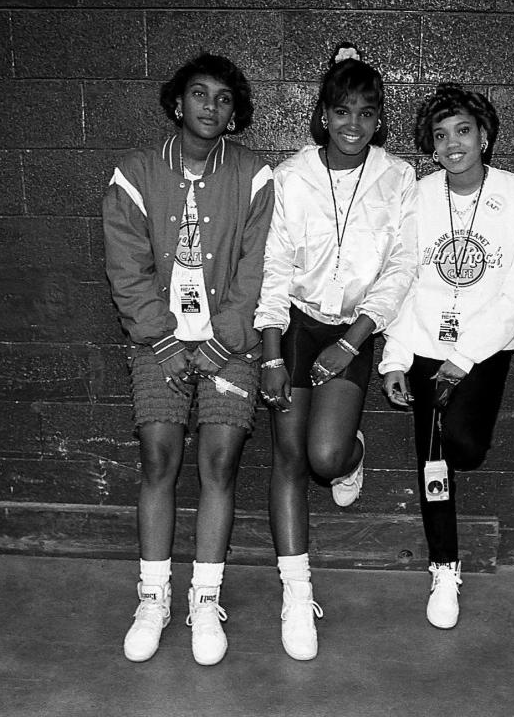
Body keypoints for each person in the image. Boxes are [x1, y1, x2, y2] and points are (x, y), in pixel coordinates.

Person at [102, 53, 273, 665]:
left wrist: (221, 342)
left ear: (234, 114)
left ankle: (205, 597)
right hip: (158, 341)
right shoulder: (134, 173)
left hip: (231, 344)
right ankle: (154, 596)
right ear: (179, 103)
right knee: (158, 455)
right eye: (199, 94)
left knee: (221, 461)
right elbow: (127, 268)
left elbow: (256, 270)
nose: (210, 106)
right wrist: (168, 339)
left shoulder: (254, 176)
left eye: (224, 99)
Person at [253, 42, 417, 660]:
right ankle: (297, 596)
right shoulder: (290, 176)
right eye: (342, 111)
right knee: (289, 456)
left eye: (367, 113)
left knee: (324, 457)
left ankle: (353, 455)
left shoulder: (398, 179)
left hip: (355, 326)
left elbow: (403, 267)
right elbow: (272, 266)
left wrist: (353, 342)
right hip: (294, 323)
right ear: (322, 114)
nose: (353, 125)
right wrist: (270, 350)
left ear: (379, 121)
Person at [380, 83, 514, 630]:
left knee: (465, 445)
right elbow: (405, 279)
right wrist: (396, 357)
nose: (453, 144)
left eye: (463, 131)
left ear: (485, 135)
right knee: (434, 460)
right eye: (441, 135)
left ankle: (445, 554)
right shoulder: (419, 195)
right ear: (431, 145)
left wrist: (467, 355)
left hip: (485, 345)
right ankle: (444, 566)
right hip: (425, 344)